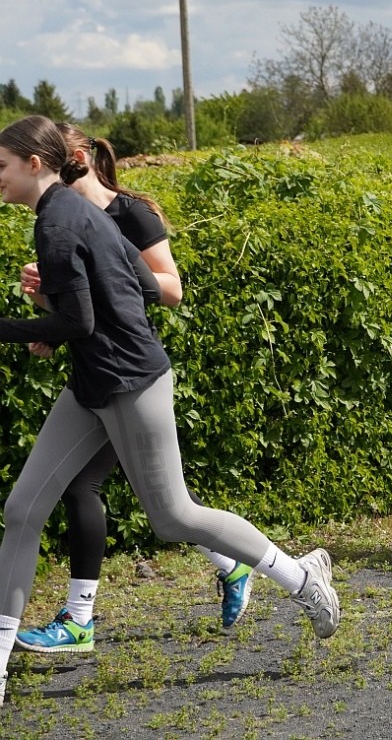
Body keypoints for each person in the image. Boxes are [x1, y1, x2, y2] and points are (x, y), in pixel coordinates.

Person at [0, 116, 339, 707]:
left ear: (34, 164)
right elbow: (134, 282)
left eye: (0, 166)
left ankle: (303, 579)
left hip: (132, 382)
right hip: (93, 382)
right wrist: (69, 305)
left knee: (174, 516)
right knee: (22, 509)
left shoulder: (59, 221)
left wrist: (41, 321)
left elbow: (84, 317)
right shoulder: (72, 212)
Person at [14, 126, 255, 656]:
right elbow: (77, 312)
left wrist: (110, 270)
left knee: (158, 503)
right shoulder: (62, 218)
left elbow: (169, 289)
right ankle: (83, 618)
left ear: (73, 160)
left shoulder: (128, 214)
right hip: (96, 371)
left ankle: (244, 564)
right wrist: (47, 304)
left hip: (132, 369)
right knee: (107, 492)